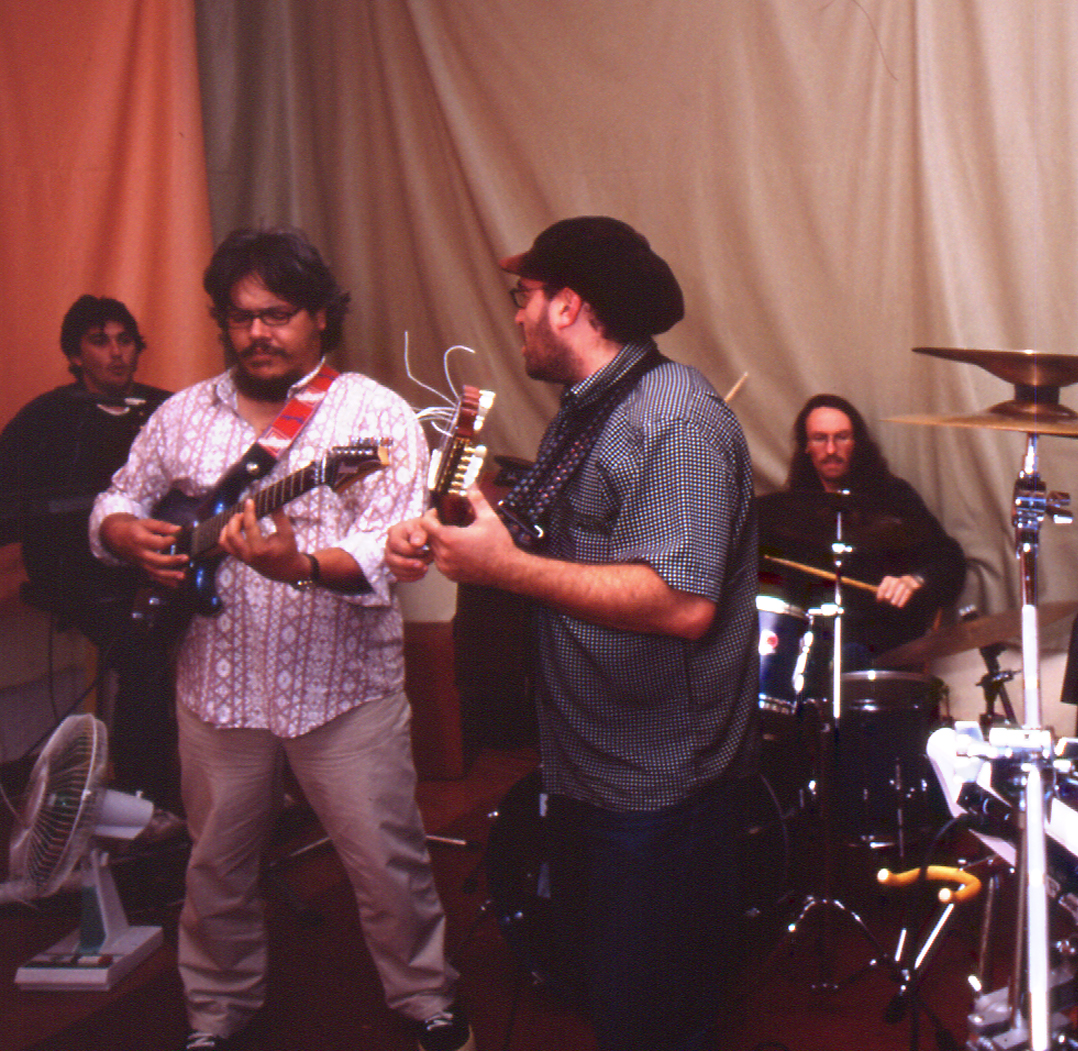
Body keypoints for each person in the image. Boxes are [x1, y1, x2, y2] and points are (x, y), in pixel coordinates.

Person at [90, 229, 469, 1051]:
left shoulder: (375, 417)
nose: (259, 332)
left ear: (321, 316)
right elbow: (118, 496)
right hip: (216, 689)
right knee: (214, 869)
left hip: (343, 692)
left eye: (279, 314)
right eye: (241, 317)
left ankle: (426, 999)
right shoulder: (181, 415)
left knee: (387, 863)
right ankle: (216, 1014)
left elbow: (387, 548)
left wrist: (296, 564)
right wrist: (122, 532)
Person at [386, 216, 757, 1051]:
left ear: (569, 306)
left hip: (658, 783)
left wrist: (506, 569)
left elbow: (680, 603)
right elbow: (539, 527)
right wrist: (446, 528)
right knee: (613, 995)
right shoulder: (588, 408)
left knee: (653, 1016)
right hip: (590, 764)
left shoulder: (677, 420)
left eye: (523, 297)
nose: (516, 314)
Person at [0, 296, 174, 803]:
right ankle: (144, 798)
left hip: (161, 564)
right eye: (100, 342)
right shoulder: (45, 417)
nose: (116, 353)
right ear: (75, 356)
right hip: (78, 573)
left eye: (125, 340)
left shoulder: (169, 410)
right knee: (144, 654)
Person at [764, 393, 967, 664]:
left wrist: (914, 581)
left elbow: (950, 561)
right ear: (806, 446)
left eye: (842, 437)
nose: (831, 449)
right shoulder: (790, 509)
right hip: (807, 647)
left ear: (857, 443)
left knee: (849, 656)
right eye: (820, 438)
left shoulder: (894, 497)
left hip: (877, 647)